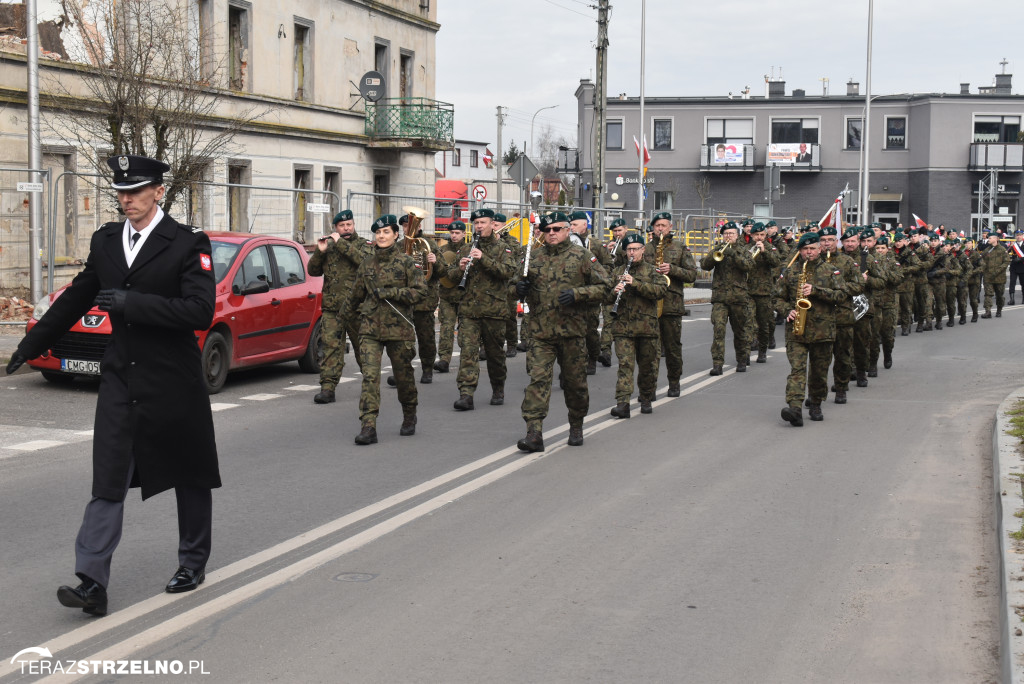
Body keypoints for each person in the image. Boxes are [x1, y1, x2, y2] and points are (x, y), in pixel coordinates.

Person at [5, 155, 220, 615]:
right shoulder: (105, 242)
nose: (127, 200)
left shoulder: (186, 244)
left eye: (136, 191)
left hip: (173, 379)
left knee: (189, 473)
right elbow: (77, 297)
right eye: (121, 192)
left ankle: (193, 561)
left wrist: (131, 303)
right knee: (108, 480)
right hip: (122, 377)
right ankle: (91, 582)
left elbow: (200, 312)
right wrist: (31, 343)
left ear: (159, 191)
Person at [515, 212, 610, 451]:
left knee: (575, 383)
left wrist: (578, 294)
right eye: (547, 230)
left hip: (572, 333)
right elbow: (510, 289)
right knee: (538, 382)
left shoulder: (582, 256)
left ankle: (576, 425)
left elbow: (606, 287)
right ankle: (534, 432)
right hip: (540, 333)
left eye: (557, 229)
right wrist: (518, 288)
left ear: (568, 230)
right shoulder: (532, 257)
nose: (552, 233)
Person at [342, 214, 426, 445]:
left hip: (399, 329)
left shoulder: (407, 262)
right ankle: (368, 426)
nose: (381, 236)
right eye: (378, 233)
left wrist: (391, 293)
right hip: (369, 328)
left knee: (403, 375)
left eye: (386, 232)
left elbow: (420, 292)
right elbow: (355, 295)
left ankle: (410, 414)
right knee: (369, 377)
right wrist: (341, 319)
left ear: (396, 234)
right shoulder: (367, 263)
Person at [774, 232, 847, 426]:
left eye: (812, 248)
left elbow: (841, 296)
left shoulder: (832, 271)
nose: (809, 252)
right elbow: (777, 298)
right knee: (797, 369)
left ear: (820, 249)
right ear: (799, 251)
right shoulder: (790, 272)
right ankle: (795, 408)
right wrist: (786, 310)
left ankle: (815, 403)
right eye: (805, 249)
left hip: (823, 331)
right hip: (796, 331)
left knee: (819, 372)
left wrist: (816, 291)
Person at [447, 208, 515, 410]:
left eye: (483, 223)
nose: (479, 227)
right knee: (468, 353)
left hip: (494, 310)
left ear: (492, 224)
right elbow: (449, 278)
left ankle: (498, 388)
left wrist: (483, 258)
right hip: (469, 311)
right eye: (476, 223)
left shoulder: (503, 247)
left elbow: (508, 271)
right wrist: (458, 268)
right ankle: (466, 394)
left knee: (495, 355)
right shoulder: (466, 248)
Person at [308, 209, 370, 404]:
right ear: (335, 228)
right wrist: (320, 251)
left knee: (364, 349)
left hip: (357, 308)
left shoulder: (364, 245)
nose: (346, 228)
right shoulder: (330, 246)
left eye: (349, 224)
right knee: (330, 348)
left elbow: (366, 264)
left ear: (353, 225)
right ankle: (327, 388)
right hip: (332, 308)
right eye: (342, 226)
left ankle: (370, 386)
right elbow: (313, 271)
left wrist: (341, 244)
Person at [606, 233, 667, 418]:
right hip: (623, 327)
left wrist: (636, 283)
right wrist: (613, 291)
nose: (632, 252)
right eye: (629, 249)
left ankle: (646, 397)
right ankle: (622, 403)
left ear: (643, 250)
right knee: (625, 365)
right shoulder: (617, 272)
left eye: (635, 249)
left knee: (647, 366)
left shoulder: (653, 271)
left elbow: (660, 291)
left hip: (647, 328)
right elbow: (605, 297)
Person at [645, 211, 698, 393]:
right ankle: (649, 389)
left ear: (670, 227)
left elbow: (692, 274)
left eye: (663, 225)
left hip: (672, 305)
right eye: (657, 225)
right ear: (652, 228)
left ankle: (674, 382)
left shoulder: (680, 247)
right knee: (650, 350)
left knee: (672, 347)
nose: (660, 229)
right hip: (649, 305)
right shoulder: (645, 249)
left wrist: (672, 269)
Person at [700, 221, 753, 375]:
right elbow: (704, 265)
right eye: (726, 234)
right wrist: (715, 256)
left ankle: (742, 359)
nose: (729, 236)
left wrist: (733, 254)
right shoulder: (718, 249)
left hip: (738, 297)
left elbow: (748, 266)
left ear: (737, 235)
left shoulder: (743, 250)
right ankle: (717, 364)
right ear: (722, 236)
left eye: (731, 233)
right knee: (718, 330)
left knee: (740, 331)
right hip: (720, 298)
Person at [819, 226, 861, 404]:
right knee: (820, 359)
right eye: (823, 240)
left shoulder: (847, 261)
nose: (827, 243)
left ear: (836, 241)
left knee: (843, 356)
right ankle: (818, 394)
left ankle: (841, 388)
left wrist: (839, 290)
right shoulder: (813, 260)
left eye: (830, 240)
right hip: (819, 317)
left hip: (842, 315)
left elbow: (858, 285)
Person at [569, 210, 612, 375]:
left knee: (590, 330)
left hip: (590, 294)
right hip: (572, 292)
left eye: (575, 224)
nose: (572, 227)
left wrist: (595, 274)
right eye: (570, 225)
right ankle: (574, 362)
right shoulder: (568, 243)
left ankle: (593, 358)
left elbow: (608, 266)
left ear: (584, 225)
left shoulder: (595, 244)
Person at [745, 222, 782, 363]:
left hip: (765, 292)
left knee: (763, 324)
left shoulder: (770, 248)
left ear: (765, 235)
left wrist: (764, 251)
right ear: (752, 235)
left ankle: (762, 351)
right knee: (748, 323)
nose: (759, 238)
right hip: (748, 291)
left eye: (762, 235)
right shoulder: (746, 248)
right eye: (756, 235)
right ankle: (746, 353)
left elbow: (776, 262)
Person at [434, 220, 466, 373]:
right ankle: (444, 359)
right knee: (446, 327)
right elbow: (440, 272)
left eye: (457, 233)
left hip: (464, 296)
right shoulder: (442, 250)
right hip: (447, 295)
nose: (454, 236)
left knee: (465, 329)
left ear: (464, 234)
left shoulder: (470, 249)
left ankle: (467, 358)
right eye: (452, 233)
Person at [599, 218, 630, 366]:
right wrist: (607, 252)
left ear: (626, 229)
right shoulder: (608, 245)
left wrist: (621, 251)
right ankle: (605, 352)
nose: (617, 234)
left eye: (619, 230)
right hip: (612, 285)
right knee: (608, 320)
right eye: (615, 231)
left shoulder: (631, 244)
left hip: (628, 286)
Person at [496, 212, 524, 356]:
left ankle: (512, 344)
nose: (494, 228)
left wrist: (500, 241)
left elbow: (516, 260)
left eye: (497, 225)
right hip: (493, 284)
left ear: (503, 226)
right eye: (492, 225)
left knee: (510, 316)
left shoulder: (512, 242)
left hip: (508, 283)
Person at [980, 231, 1011, 318]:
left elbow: (1007, 261)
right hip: (988, 277)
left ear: (995, 239)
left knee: (999, 295)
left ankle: (999, 310)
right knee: (988, 295)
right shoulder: (986, 250)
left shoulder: (1002, 250)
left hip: (999, 277)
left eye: (990, 238)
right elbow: (982, 262)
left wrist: (998, 271)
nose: (988, 239)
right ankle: (988, 312)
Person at [1009, 228, 1024, 305]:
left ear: (1023, 235)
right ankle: (1012, 299)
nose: (1018, 237)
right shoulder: (1013, 245)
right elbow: (1006, 252)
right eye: (1017, 235)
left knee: (1023, 283)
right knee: (1012, 283)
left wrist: (1020, 259)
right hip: (1014, 267)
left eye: (1020, 235)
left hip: (1022, 267)